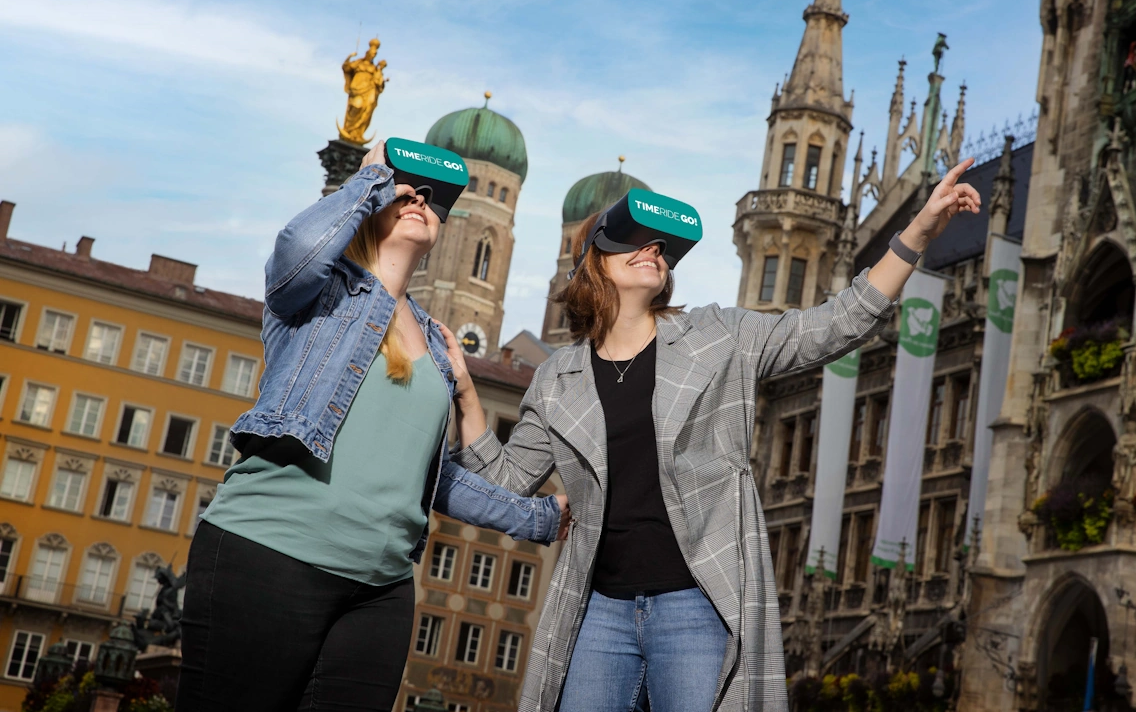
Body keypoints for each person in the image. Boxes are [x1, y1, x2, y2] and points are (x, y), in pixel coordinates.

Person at [447, 160, 982, 712]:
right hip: (598, 609)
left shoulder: (714, 336)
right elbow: (504, 484)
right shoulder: (557, 379)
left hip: (696, 604)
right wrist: (467, 395)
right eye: (633, 239)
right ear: (593, 262)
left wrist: (917, 232)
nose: (652, 249)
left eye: (662, 246)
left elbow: (832, 325)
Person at [176, 140, 570, 712]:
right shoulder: (320, 292)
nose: (418, 200)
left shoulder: (438, 345)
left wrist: (536, 517)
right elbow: (298, 248)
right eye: (403, 191)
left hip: (379, 588)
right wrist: (370, 179)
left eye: (431, 199)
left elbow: (429, 476)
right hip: (269, 551)